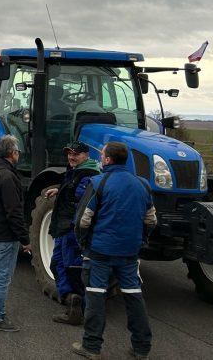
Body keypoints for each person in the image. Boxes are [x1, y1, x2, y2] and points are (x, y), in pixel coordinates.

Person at [71, 142, 156, 360]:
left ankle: (91, 346)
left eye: (102, 155)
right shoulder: (143, 185)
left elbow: (83, 220)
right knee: (134, 297)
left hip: (99, 252)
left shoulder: (99, 182)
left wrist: (84, 243)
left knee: (96, 297)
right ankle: (141, 348)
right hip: (129, 253)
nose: (100, 157)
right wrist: (141, 240)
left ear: (108, 160)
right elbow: (151, 220)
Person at [44, 141, 100, 325]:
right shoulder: (76, 172)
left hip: (72, 231)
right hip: (63, 229)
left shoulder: (89, 175)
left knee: (73, 269)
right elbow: (72, 191)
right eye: (69, 153)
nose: (71, 157)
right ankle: (71, 300)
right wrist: (59, 190)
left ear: (86, 155)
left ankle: (78, 309)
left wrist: (77, 230)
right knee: (57, 264)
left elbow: (82, 203)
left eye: (75, 154)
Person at [0, 134, 31, 332]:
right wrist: (25, 239)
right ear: (12, 153)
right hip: (5, 236)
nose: (18, 154)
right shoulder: (8, 177)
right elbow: (14, 212)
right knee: (1, 277)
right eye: (17, 151)